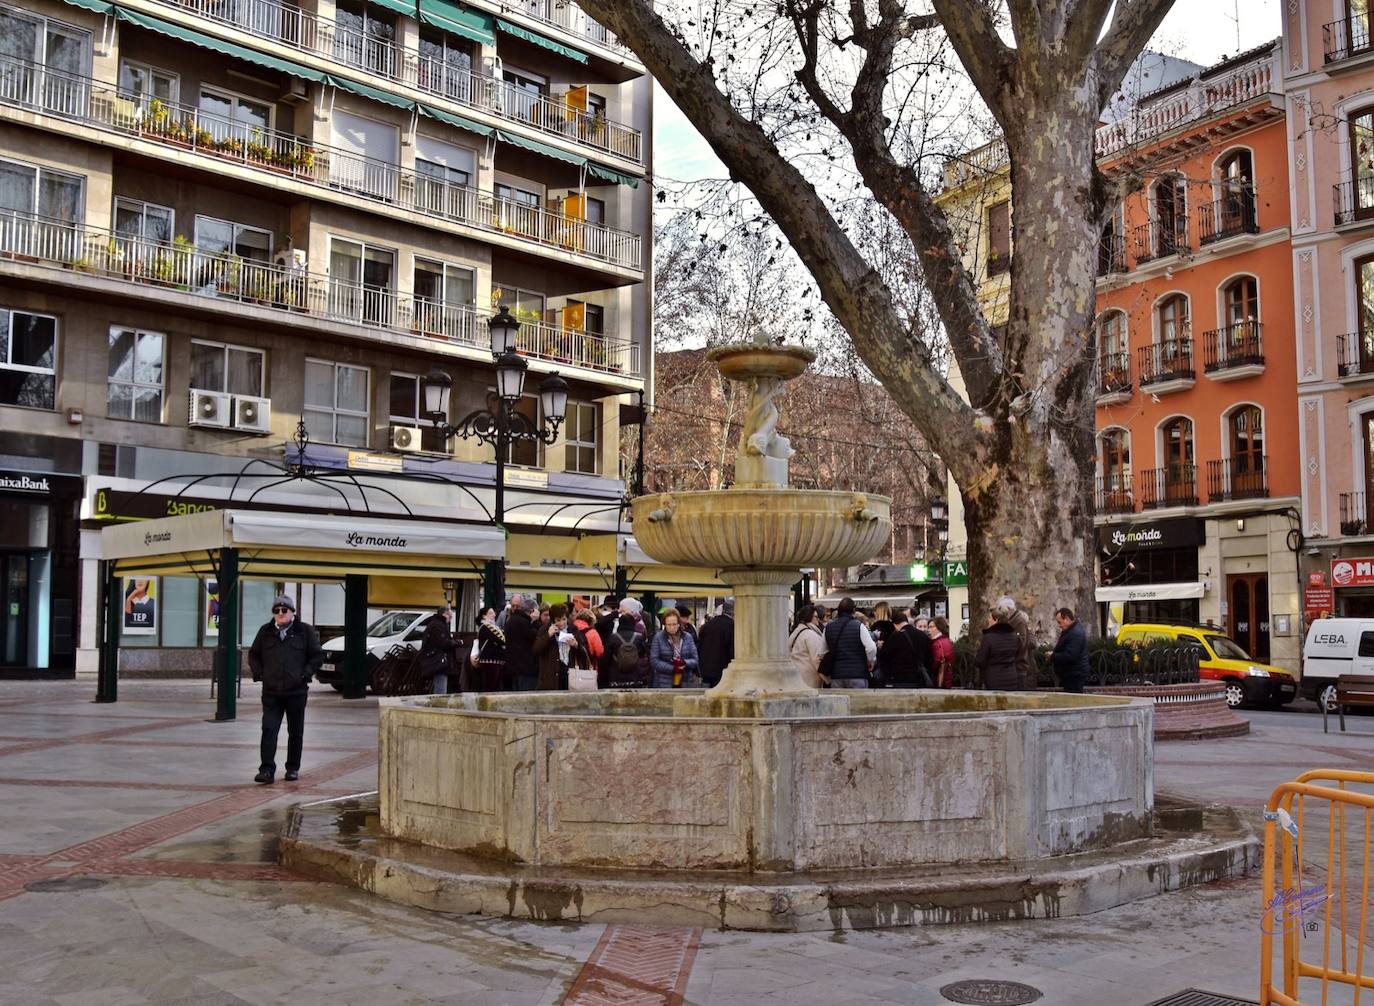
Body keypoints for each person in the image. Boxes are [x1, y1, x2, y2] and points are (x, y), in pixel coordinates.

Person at [248, 594, 324, 784]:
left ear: (292, 612)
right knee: (269, 729)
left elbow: (317, 656)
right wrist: (260, 674)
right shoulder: (265, 632)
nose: (280, 613)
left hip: (296, 692)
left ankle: (292, 768)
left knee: (295, 731)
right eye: (276, 611)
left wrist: (305, 674)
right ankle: (266, 770)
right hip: (272, 692)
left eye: (284, 610)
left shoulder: (305, 631)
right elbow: (254, 655)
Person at [823, 597, 877, 688]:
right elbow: (871, 648)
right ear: (853, 610)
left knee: (839, 702)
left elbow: (822, 652)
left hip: (836, 675)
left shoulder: (828, 627)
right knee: (858, 701)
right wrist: (870, 660)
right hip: (857, 675)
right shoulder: (859, 626)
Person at [877, 610, 933, 687]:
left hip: (899, 680)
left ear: (894, 624)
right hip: (919, 680)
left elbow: (883, 659)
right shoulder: (923, 636)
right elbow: (929, 659)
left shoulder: (894, 638)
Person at [649, 609, 700, 687]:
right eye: (669, 624)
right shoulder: (658, 638)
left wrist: (684, 662)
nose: (672, 627)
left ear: (679, 624)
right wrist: (672, 668)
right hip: (664, 682)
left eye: (674, 624)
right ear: (664, 624)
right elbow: (654, 661)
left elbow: (695, 659)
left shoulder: (687, 637)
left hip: (685, 680)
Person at [975, 605, 1021, 690]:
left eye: (990, 618)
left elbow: (980, 661)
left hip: (994, 678)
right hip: (1011, 676)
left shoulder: (988, 637)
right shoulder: (1014, 636)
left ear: (996, 620)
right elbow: (1018, 654)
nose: (988, 620)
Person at [418, 603, 460, 695]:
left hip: (435, 660)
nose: (450, 620)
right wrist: (457, 643)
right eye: (450, 617)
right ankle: (439, 706)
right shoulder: (439, 626)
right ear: (444, 614)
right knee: (440, 688)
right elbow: (443, 643)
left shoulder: (434, 624)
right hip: (439, 661)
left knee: (439, 685)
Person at [602, 612, 648, 688]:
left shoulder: (613, 638)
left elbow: (606, 659)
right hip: (635, 677)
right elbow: (642, 654)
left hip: (616, 677)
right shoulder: (639, 637)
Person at [697, 597, 735, 687]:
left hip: (705, 669)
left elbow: (699, 646)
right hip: (722, 670)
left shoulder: (707, 625)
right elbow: (732, 650)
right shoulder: (732, 625)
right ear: (733, 611)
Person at [503, 595, 537, 691]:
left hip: (512, 668)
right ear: (531, 611)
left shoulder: (510, 621)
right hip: (525, 668)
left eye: (516, 606)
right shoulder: (524, 623)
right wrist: (534, 621)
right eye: (513, 606)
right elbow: (535, 637)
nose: (514, 608)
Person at [1052, 607, 1090, 693]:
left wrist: (1053, 656)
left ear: (1067, 619)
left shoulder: (1075, 633)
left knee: (1074, 698)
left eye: (1059, 622)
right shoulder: (1070, 631)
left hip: (1074, 674)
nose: (1059, 625)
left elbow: (1070, 655)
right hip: (1071, 673)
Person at [788, 604, 827, 688]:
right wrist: (826, 678)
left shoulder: (795, 633)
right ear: (809, 617)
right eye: (816, 617)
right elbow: (817, 659)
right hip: (809, 679)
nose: (818, 620)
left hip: (795, 677)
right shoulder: (811, 635)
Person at [533, 603, 568, 690]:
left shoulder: (572, 629)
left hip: (569, 676)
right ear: (553, 620)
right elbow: (536, 649)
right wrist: (548, 635)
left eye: (564, 619)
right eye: (558, 620)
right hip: (550, 677)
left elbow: (583, 649)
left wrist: (576, 644)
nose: (562, 623)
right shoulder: (544, 630)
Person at [471, 607, 506, 692]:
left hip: (494, 660)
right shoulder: (487, 627)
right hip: (490, 661)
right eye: (490, 613)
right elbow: (502, 639)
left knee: (493, 686)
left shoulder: (492, 627)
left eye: (494, 613)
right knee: (491, 686)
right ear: (484, 616)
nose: (494, 615)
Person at [929, 616, 956, 688]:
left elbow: (936, 662)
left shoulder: (937, 643)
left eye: (932, 627)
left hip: (939, 678)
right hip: (948, 677)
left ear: (939, 627)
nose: (929, 629)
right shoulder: (947, 640)